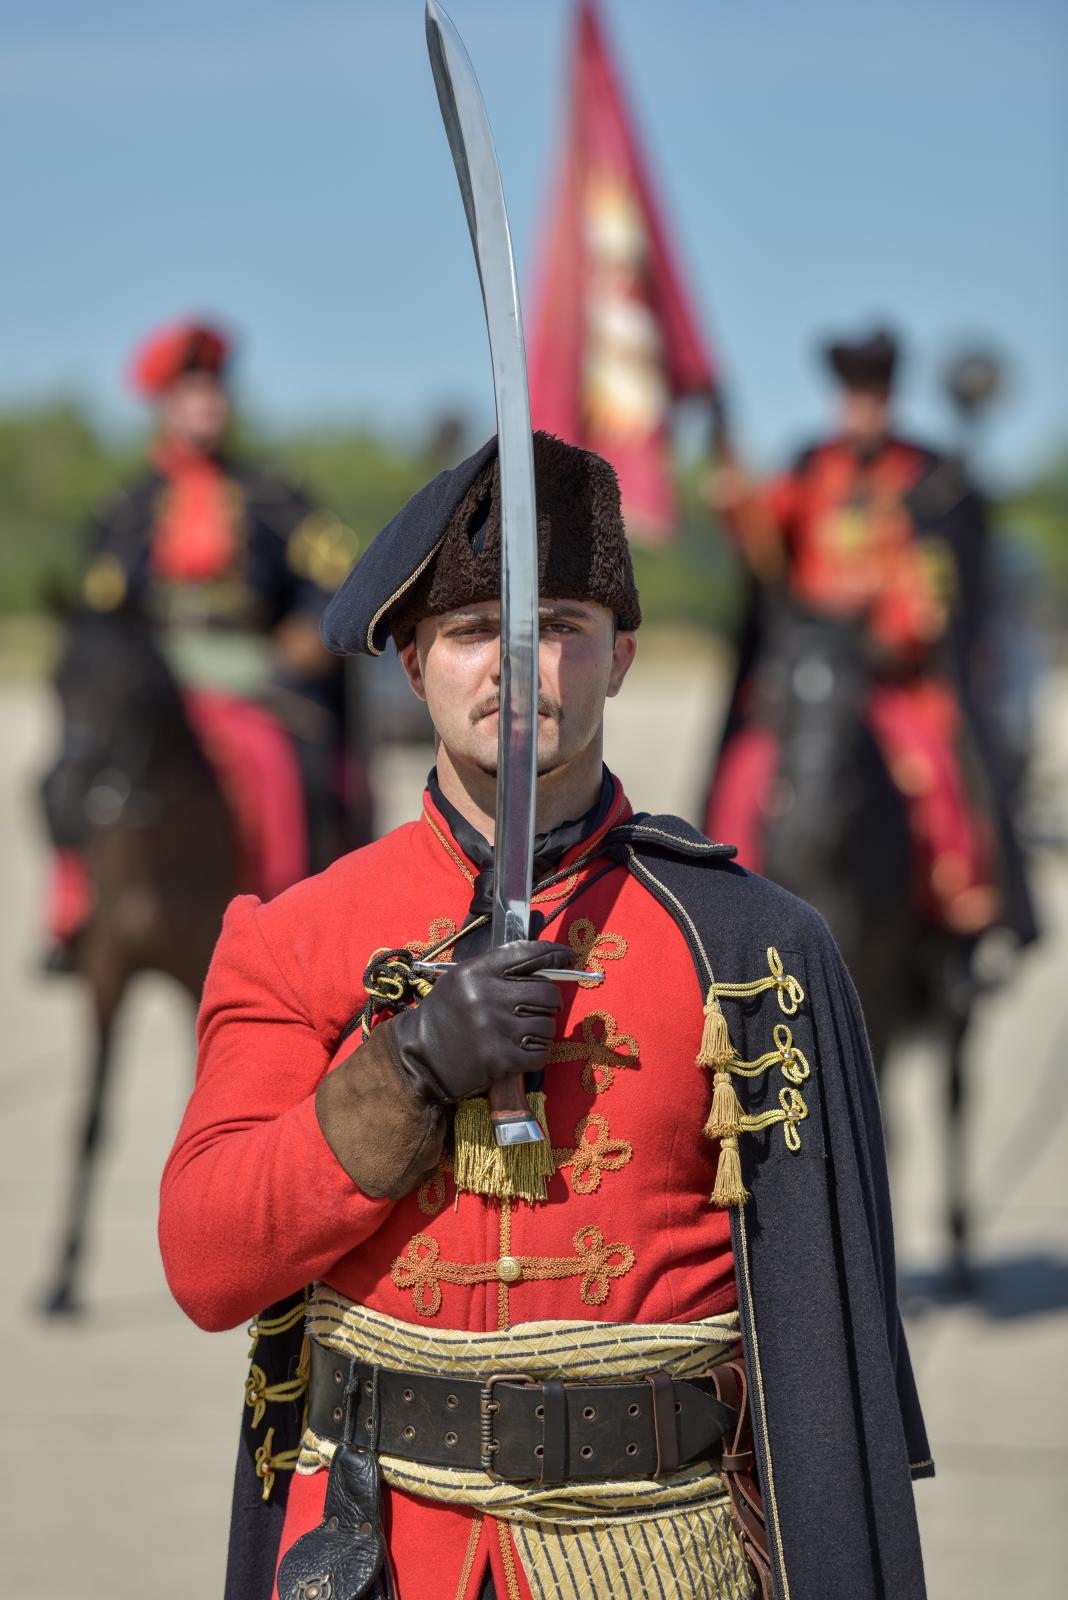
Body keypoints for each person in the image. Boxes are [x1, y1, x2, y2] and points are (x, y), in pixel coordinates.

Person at [159, 431, 931, 1600]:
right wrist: (403, 1068)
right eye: (475, 634)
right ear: (413, 659)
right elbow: (209, 1260)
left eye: (559, 628)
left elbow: (827, 1372)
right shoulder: (295, 935)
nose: (518, 668)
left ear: (620, 657)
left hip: (660, 1551)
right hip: (381, 1553)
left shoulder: (757, 947)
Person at [43, 317, 367, 966]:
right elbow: (106, 613)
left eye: (214, 392)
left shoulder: (274, 497)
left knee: (288, 765)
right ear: (164, 406)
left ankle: (290, 913)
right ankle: (76, 911)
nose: (207, 405)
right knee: (85, 765)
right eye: (191, 394)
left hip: (253, 672)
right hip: (156, 679)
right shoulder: (126, 509)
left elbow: (332, 577)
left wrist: (307, 631)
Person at [705, 327, 1036, 950]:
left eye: (874, 396)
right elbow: (763, 536)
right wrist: (732, 496)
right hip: (809, 671)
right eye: (853, 395)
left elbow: (932, 584)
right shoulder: (810, 467)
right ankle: (726, 911)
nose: (862, 408)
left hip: (886, 674)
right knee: (746, 773)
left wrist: (902, 625)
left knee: (930, 765)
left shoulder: (922, 476)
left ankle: (958, 902)